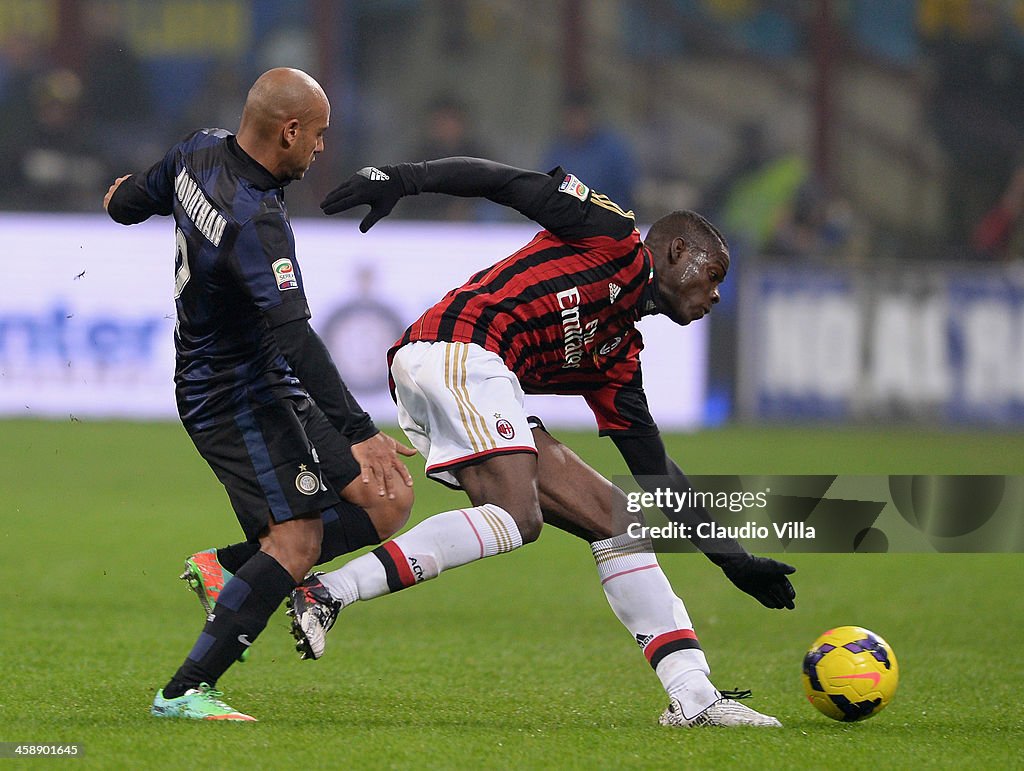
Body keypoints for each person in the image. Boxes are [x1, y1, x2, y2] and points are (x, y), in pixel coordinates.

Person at [290, 156, 796, 728]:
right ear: (678, 252)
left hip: (470, 377)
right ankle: (329, 591)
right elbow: (508, 184)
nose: (716, 295)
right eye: (714, 275)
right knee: (517, 516)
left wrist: (734, 561)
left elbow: (657, 472)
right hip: (458, 347)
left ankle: (695, 697)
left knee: (618, 522)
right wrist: (403, 179)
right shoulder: (612, 237)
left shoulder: (617, 357)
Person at [103, 68, 414, 721]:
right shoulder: (258, 223)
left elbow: (136, 196)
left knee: (386, 496)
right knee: (297, 538)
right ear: (289, 131)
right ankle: (185, 690)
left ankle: (229, 569)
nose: (323, 148)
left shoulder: (198, 148)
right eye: (319, 135)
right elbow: (298, 336)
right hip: (230, 395)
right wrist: (359, 428)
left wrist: (117, 202)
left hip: (267, 380)